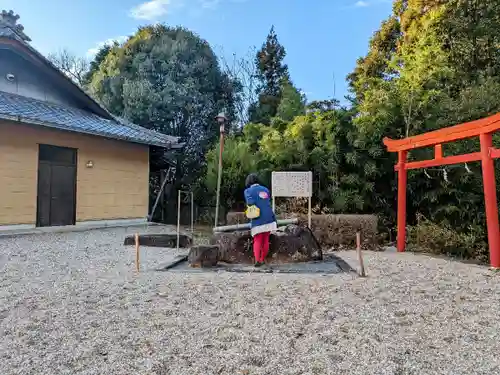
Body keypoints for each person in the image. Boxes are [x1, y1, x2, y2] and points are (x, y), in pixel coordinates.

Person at [244, 173, 277, 267]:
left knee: (257, 239)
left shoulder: (248, 191)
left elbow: (250, 202)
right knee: (265, 239)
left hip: (258, 217)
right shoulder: (265, 189)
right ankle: (262, 259)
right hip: (269, 217)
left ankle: (257, 260)